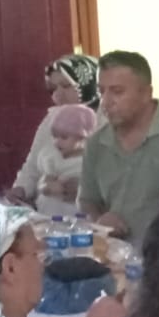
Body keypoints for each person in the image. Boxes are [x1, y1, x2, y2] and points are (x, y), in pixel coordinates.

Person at [79, 51, 159, 241]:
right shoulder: (96, 143)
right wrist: (100, 219)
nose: (105, 102)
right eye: (101, 91)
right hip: (115, 258)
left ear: (147, 93)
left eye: (117, 92)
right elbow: (88, 200)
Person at [10, 54, 100, 205]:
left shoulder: (107, 121)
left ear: (87, 84)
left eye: (66, 86)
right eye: (52, 88)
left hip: (90, 216)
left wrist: (87, 190)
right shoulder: (52, 119)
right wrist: (20, 189)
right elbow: (33, 165)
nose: (58, 94)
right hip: (49, 214)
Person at [30, 104, 95, 217]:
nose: (57, 142)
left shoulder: (90, 160)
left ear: (82, 138)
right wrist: (47, 187)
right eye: (55, 136)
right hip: (49, 212)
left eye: (64, 137)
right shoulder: (51, 157)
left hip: (75, 214)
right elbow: (43, 182)